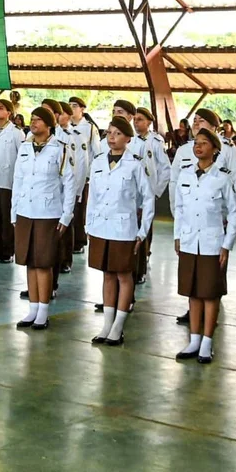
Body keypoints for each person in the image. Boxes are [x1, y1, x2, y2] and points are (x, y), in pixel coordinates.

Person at [171, 127, 236, 363]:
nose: (198, 147)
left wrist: (227, 244)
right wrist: (177, 235)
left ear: (214, 149)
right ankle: (194, 340)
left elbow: (234, 211)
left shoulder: (222, 177)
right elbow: (179, 208)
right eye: (196, 143)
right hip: (189, 240)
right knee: (193, 292)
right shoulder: (185, 174)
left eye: (203, 143)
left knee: (210, 294)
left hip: (212, 242)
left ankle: (207, 342)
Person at [87, 116, 155, 346]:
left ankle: (118, 325)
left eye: (117, 133)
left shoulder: (135, 164)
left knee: (124, 275)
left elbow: (148, 198)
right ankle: (107, 323)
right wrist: (89, 225)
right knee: (107, 274)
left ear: (128, 138)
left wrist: (142, 231)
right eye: (109, 133)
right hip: (102, 226)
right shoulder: (97, 162)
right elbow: (92, 198)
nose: (112, 137)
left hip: (125, 228)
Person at [13, 106, 77, 330]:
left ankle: (43, 310)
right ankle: (32, 308)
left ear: (49, 125)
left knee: (44, 263)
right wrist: (15, 212)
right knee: (30, 262)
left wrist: (66, 216)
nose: (33, 123)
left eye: (38, 120)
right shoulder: (24, 148)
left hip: (48, 213)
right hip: (25, 211)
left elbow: (69, 185)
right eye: (32, 119)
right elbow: (18, 180)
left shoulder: (59, 150)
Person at [0, 100, 23, 264]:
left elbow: (22, 157)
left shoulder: (16, 132)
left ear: (9, 113)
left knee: (7, 216)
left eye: (1, 108)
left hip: (9, 180)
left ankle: (8, 250)